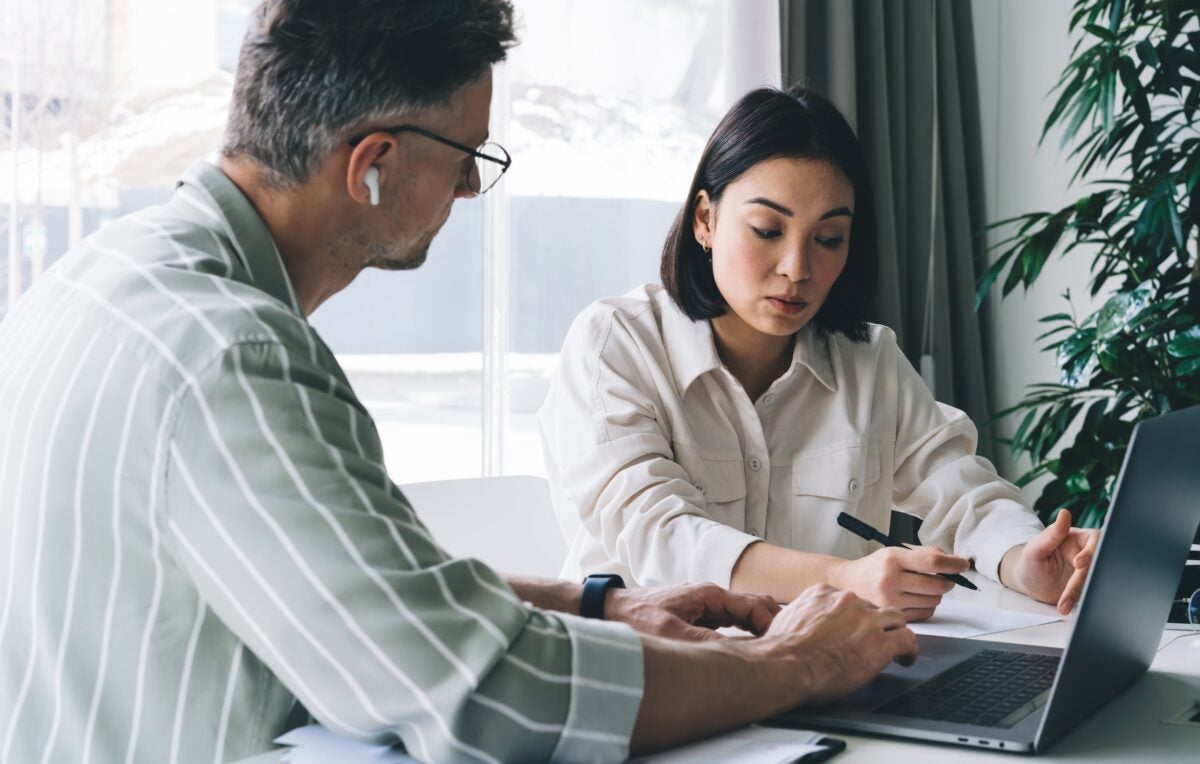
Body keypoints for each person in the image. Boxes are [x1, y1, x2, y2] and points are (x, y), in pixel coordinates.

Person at [0, 4, 920, 763]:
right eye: (467, 158)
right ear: (373, 166)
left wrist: (598, 602)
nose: (472, 192)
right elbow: (483, 699)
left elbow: (359, 592)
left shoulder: (102, 280)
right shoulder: (234, 356)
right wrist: (797, 663)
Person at [539, 85, 1099, 625]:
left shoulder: (869, 361)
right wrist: (843, 579)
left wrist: (1024, 560)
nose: (797, 268)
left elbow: (962, 491)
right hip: (640, 679)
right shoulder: (616, 343)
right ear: (705, 219)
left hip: (816, 677)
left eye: (828, 239)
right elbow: (659, 535)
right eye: (766, 230)